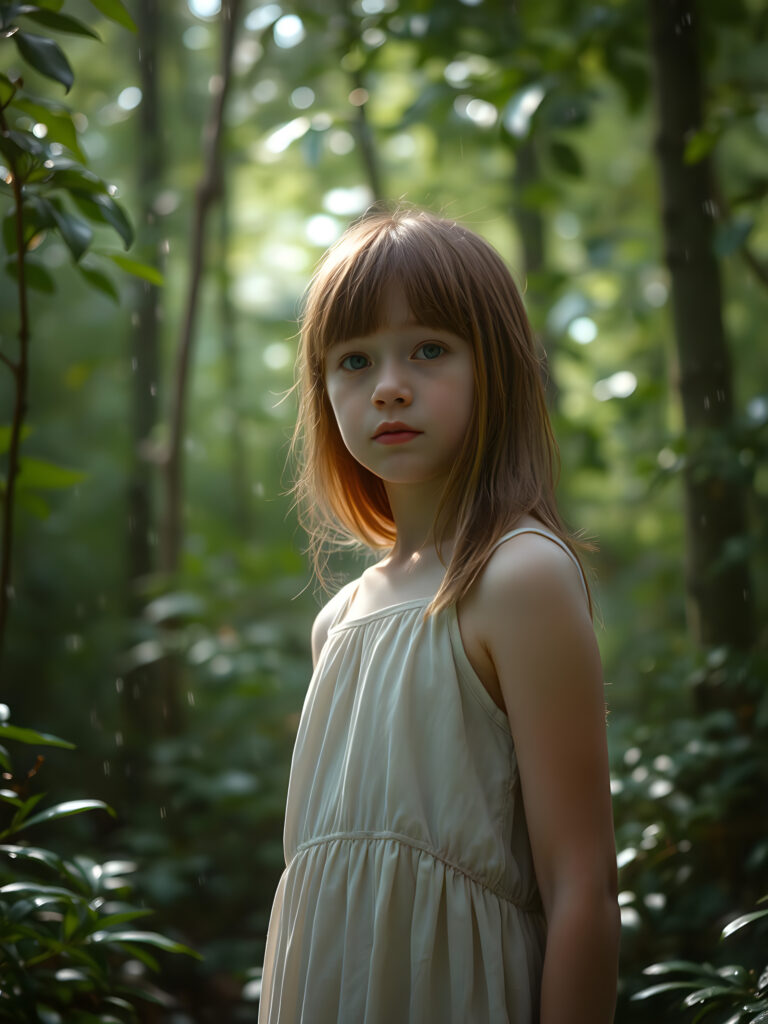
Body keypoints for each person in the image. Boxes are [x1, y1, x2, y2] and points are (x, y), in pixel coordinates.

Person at [258, 208, 620, 1023]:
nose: (389, 385)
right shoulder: (338, 621)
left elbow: (582, 888)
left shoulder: (517, 577)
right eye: (354, 360)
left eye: (428, 349)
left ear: (496, 369)